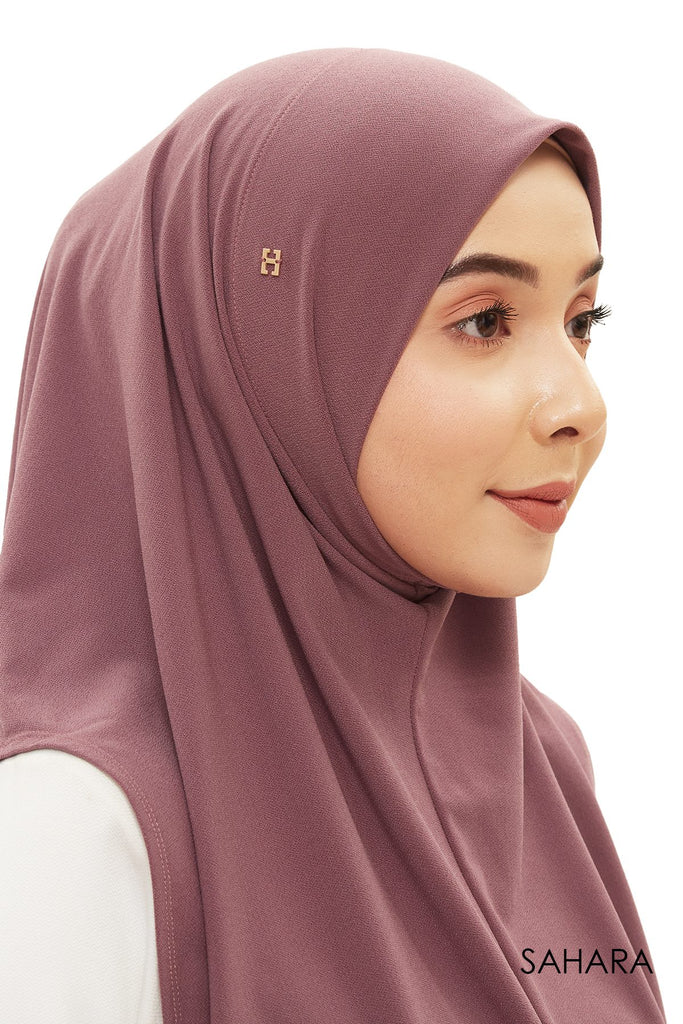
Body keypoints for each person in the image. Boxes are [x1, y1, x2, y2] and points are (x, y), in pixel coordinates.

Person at [0, 46, 668, 1024]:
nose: (582, 406)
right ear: (269, 357)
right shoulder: (73, 835)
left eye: (580, 320)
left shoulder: (544, 767)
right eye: (485, 320)